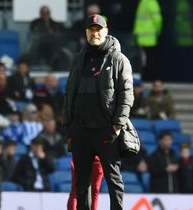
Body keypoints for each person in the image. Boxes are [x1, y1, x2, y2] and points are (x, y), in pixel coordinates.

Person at [63, 14, 134, 210]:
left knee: (113, 181)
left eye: (98, 29)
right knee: (81, 184)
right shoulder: (78, 59)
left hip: (106, 131)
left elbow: (126, 95)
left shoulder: (119, 59)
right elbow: (69, 93)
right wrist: (69, 126)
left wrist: (118, 126)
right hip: (81, 131)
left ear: (106, 31)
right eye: (91, 29)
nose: (95, 33)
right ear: (86, 32)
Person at [133, 0, 163, 81]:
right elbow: (157, 20)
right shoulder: (152, 2)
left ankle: (144, 78)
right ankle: (150, 79)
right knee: (150, 60)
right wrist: (159, 31)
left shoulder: (142, 2)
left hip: (140, 36)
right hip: (150, 38)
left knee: (142, 61)